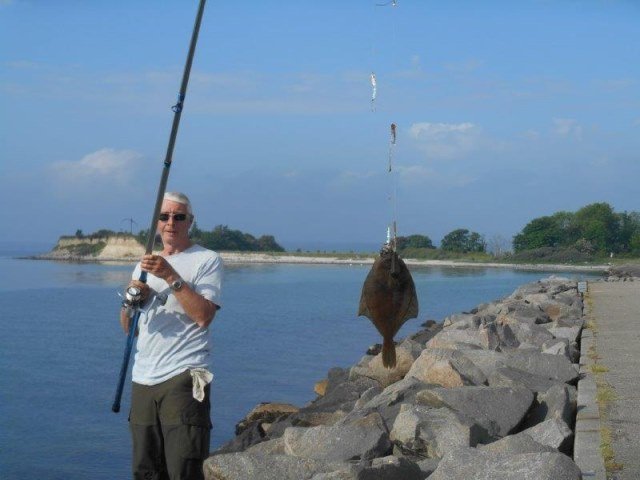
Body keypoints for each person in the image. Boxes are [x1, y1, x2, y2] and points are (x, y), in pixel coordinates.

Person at [120, 191, 223, 480]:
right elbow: (128, 326)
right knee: (145, 470)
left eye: (178, 216)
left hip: (184, 376)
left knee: (183, 468)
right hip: (143, 379)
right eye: (164, 216)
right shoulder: (143, 265)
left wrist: (169, 276)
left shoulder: (207, 259)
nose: (170, 223)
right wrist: (132, 299)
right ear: (156, 222)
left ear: (190, 221)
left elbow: (204, 316)